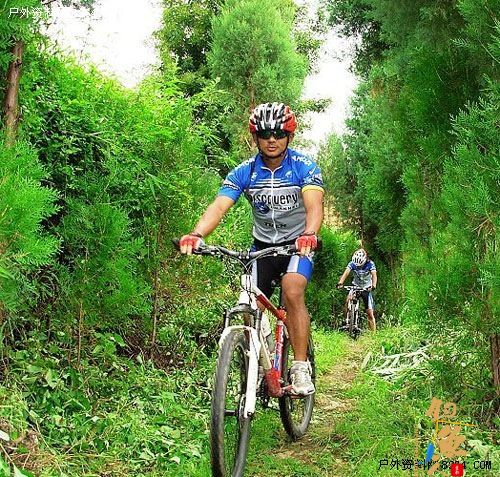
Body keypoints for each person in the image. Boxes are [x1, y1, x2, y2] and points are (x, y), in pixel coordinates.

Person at [179, 102, 324, 396]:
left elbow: (314, 205)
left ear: (289, 136)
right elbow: (219, 206)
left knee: (292, 289)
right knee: (247, 301)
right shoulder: (245, 171)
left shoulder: (304, 167)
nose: (272, 140)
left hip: (297, 246)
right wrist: (196, 234)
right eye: (265, 134)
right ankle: (263, 355)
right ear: (255, 137)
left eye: (279, 134)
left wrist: (309, 234)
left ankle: (299, 366)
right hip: (262, 247)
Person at [336, 248, 377, 332]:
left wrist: (373, 285)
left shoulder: (370, 264)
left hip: (366, 288)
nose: (358, 267)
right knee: (348, 300)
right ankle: (346, 320)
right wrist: (340, 283)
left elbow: (374, 275)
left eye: (360, 265)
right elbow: (346, 273)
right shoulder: (352, 263)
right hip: (355, 286)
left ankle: (373, 334)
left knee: (370, 313)